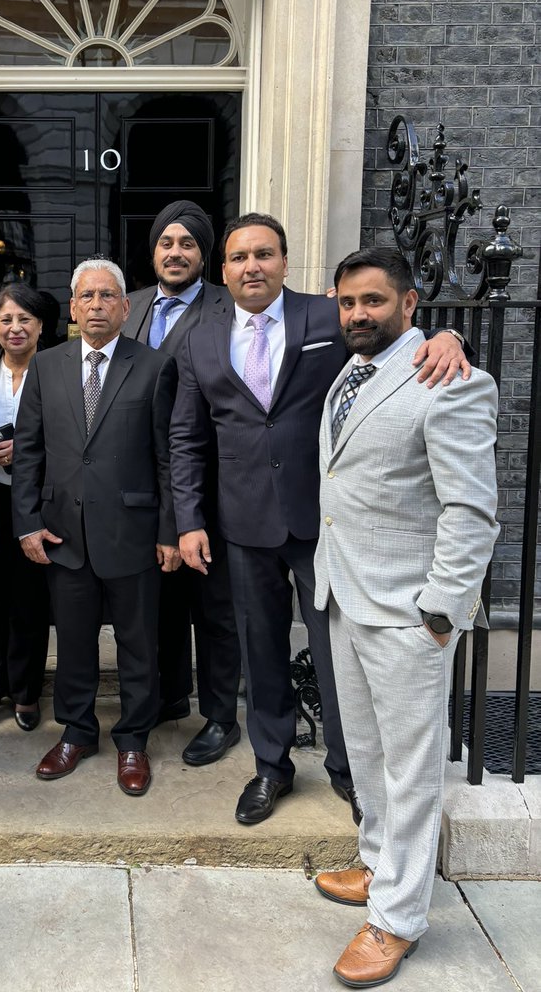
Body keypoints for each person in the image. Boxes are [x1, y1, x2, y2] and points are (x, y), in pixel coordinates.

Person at [170, 213, 468, 827]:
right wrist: (189, 519)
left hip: (325, 522)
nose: (252, 266)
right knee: (261, 651)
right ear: (223, 270)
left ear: (284, 261)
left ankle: (347, 767)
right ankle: (271, 765)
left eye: (264, 254)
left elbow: (384, 339)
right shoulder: (199, 335)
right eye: (239, 257)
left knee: (338, 655)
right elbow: (186, 436)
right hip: (242, 522)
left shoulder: (325, 317)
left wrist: (446, 338)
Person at [312, 247, 499, 988]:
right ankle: (380, 864)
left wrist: (441, 611)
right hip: (346, 595)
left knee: (413, 769)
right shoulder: (350, 370)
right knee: (366, 752)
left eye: (374, 302)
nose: (358, 314)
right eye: (349, 302)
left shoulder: (449, 379)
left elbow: (471, 510)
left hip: (408, 612)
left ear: (411, 304)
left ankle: (397, 920)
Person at [12, 258, 179, 796]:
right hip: (64, 534)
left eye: (108, 296)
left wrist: (170, 530)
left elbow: (167, 458)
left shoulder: (154, 366)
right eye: (87, 297)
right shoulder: (47, 365)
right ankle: (77, 732)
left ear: (126, 307)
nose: (97, 306)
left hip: (133, 532)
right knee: (75, 643)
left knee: (138, 644)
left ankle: (133, 739)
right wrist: (27, 524)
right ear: (73, 306)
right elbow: (30, 450)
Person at [124, 199, 243, 766]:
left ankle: (221, 715)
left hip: (207, 483)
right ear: (153, 252)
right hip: (143, 485)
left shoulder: (230, 307)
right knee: (160, 601)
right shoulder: (133, 306)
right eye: (166, 243)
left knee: (212, 607)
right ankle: (171, 696)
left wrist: (442, 342)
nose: (175, 252)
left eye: (188, 243)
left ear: (206, 253)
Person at [0, 283, 52, 732]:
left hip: (39, 503)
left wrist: (30, 450)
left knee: (30, 600)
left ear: (40, 326)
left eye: (25, 319)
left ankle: (25, 690)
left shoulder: (58, 370)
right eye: (6, 319)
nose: (15, 328)